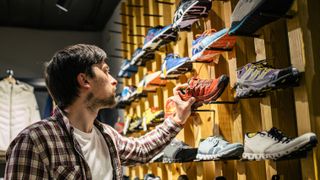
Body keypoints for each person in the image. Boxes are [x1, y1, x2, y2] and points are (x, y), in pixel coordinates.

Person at [5, 44, 195, 179]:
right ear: (85, 80)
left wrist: (177, 119)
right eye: (105, 71)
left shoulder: (106, 134)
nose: (113, 80)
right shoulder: (33, 141)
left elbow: (141, 149)